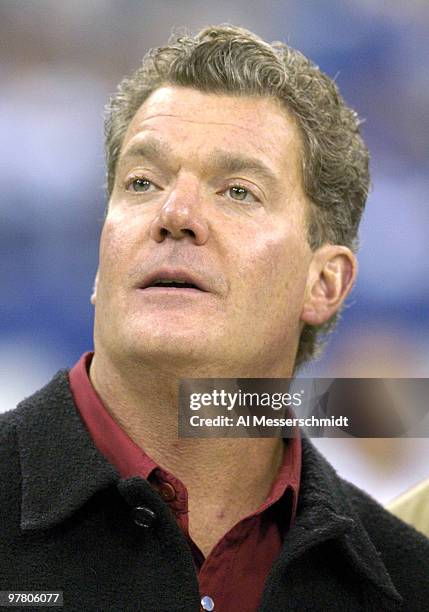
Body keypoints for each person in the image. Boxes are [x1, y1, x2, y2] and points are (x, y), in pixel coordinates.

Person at [1, 24, 428, 612]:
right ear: (100, 258)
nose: (175, 213)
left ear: (324, 282)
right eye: (142, 182)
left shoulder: (408, 580)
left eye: (237, 191)